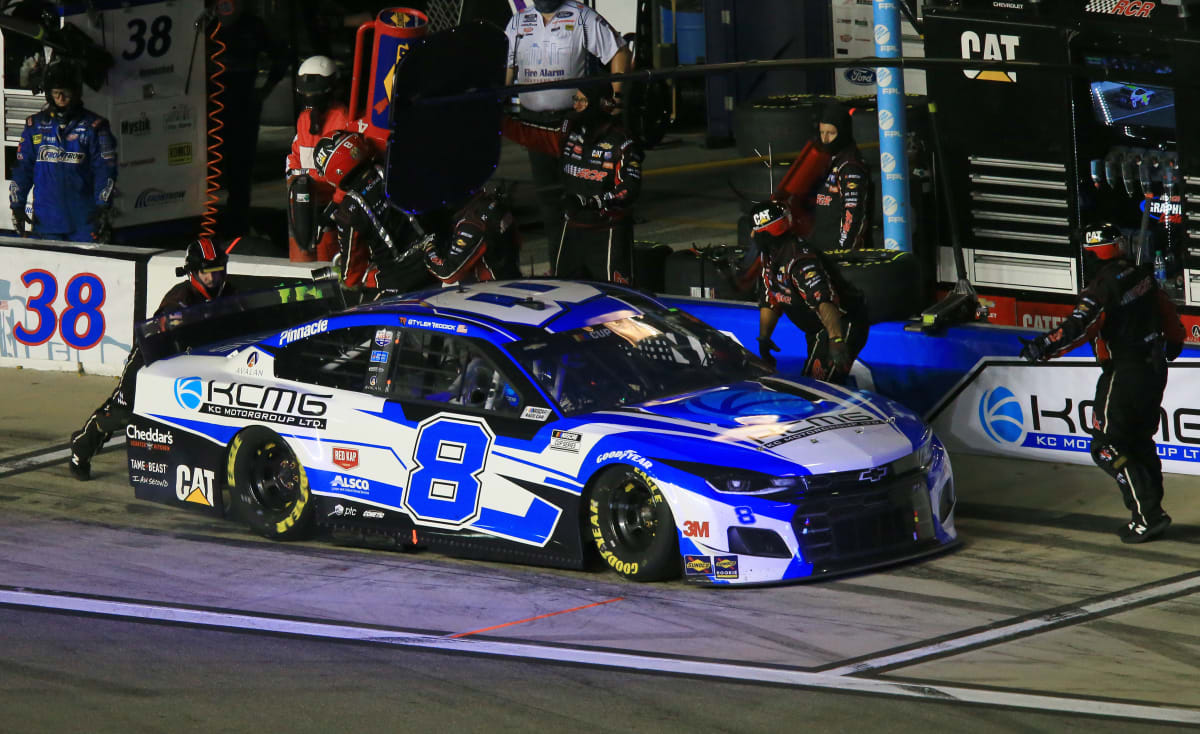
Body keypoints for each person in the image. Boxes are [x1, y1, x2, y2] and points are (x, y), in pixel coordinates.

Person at [1019, 223, 1184, 543]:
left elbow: (1079, 327)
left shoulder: (1102, 286)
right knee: (1138, 441)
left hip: (1125, 370)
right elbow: (1167, 310)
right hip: (1154, 367)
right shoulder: (1141, 274)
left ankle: (1147, 516)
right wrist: (1174, 338)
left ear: (1091, 251)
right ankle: (1151, 512)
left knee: (1106, 446)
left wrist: (1042, 348)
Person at [69, 238, 238, 480]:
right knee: (123, 410)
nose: (213, 279)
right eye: (206, 273)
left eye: (217, 271)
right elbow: (158, 335)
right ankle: (81, 446)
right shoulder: (178, 298)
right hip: (154, 356)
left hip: (201, 361)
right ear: (193, 273)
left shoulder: (231, 292)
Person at [504, 0, 630, 266]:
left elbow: (619, 50)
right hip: (534, 122)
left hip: (573, 121)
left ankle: (585, 266)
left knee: (578, 196)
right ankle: (559, 267)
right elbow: (506, 69)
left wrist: (617, 96)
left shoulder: (582, 16)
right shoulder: (518, 22)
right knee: (549, 199)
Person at [501, 84, 642, 283]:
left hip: (608, 231)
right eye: (575, 100)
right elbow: (526, 132)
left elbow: (629, 190)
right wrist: (494, 118)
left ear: (598, 104)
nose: (576, 105)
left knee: (613, 299)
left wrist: (590, 202)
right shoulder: (566, 132)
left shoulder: (622, 142)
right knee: (566, 292)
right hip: (572, 230)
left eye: (582, 101)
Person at [752, 200, 868, 385]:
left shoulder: (800, 260)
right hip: (816, 329)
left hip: (840, 324)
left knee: (820, 389)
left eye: (755, 231)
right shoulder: (768, 256)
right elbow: (770, 299)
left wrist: (836, 340)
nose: (752, 235)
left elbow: (823, 300)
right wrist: (764, 339)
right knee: (811, 387)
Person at [10, 60, 116, 242]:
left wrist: (103, 207)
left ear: (75, 91)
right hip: (46, 222)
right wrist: (17, 206)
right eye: (55, 92)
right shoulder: (34, 126)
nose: (60, 97)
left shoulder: (95, 126)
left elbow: (105, 170)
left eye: (65, 92)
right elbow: (22, 169)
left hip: (85, 221)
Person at [213, 1, 287, 236]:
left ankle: (238, 223)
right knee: (210, 167)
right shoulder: (205, 23)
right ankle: (211, 221)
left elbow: (281, 57)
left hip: (242, 106)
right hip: (210, 105)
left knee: (240, 168)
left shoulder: (253, 26)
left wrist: (263, 91)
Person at [286, 55, 350, 262]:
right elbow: (295, 155)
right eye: (306, 94)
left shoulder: (346, 120)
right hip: (305, 202)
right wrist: (295, 180)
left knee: (328, 263)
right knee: (300, 261)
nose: (310, 99)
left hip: (333, 207)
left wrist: (334, 205)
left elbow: (351, 172)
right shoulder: (304, 120)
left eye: (315, 94)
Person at [808, 102, 871, 252]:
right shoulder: (826, 158)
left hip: (840, 251)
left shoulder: (850, 165)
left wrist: (843, 249)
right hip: (820, 245)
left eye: (831, 133)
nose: (825, 139)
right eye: (822, 132)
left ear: (842, 132)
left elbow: (853, 213)